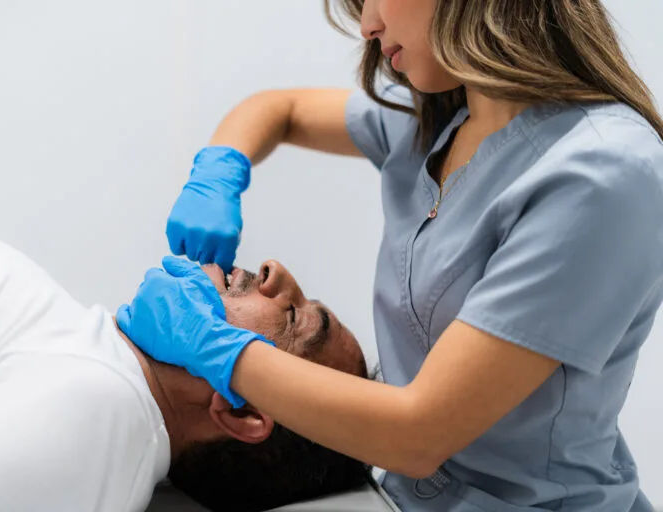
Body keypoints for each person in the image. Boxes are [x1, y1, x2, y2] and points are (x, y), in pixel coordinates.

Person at [117, 0, 663, 511]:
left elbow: (419, 434)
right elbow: (277, 108)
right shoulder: (439, 118)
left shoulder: (600, 171)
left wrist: (213, 347)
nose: (367, 26)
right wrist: (219, 171)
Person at [0, 224, 370, 512]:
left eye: (294, 318)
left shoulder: (96, 416)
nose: (275, 271)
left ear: (243, 414)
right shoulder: (91, 372)